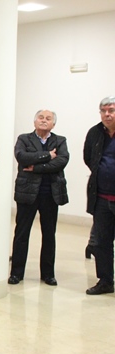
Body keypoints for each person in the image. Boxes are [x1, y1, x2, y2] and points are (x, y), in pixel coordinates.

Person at [8, 110, 69, 286]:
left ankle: (48, 274)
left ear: (53, 124)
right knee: (21, 233)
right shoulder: (24, 139)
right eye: (40, 118)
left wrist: (36, 168)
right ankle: (16, 273)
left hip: (51, 193)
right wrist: (48, 155)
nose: (44, 121)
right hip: (27, 193)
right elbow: (22, 157)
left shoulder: (60, 140)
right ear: (34, 122)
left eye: (48, 119)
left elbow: (62, 161)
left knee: (49, 234)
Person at [84, 96, 115, 295]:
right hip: (102, 199)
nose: (107, 114)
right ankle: (105, 281)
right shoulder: (95, 133)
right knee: (102, 242)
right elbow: (89, 158)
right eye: (103, 111)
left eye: (111, 110)